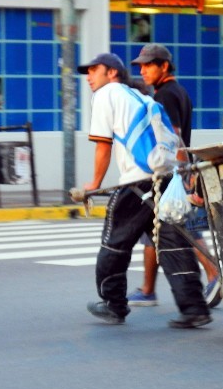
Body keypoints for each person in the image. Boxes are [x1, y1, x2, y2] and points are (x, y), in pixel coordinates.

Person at [78, 51, 211, 328]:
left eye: (94, 70)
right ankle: (194, 308)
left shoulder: (107, 94)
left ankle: (113, 304)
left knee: (114, 241)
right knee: (173, 243)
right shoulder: (140, 96)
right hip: (164, 176)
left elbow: (103, 144)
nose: (89, 76)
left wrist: (94, 184)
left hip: (137, 181)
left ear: (111, 73)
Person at [125, 43, 222, 308]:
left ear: (164, 66)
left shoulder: (166, 96)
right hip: (177, 171)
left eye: (148, 65)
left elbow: (174, 137)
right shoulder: (177, 92)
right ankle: (147, 290)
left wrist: (183, 175)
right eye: (141, 66)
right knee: (157, 230)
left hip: (172, 173)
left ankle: (214, 273)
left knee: (181, 229)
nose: (143, 70)